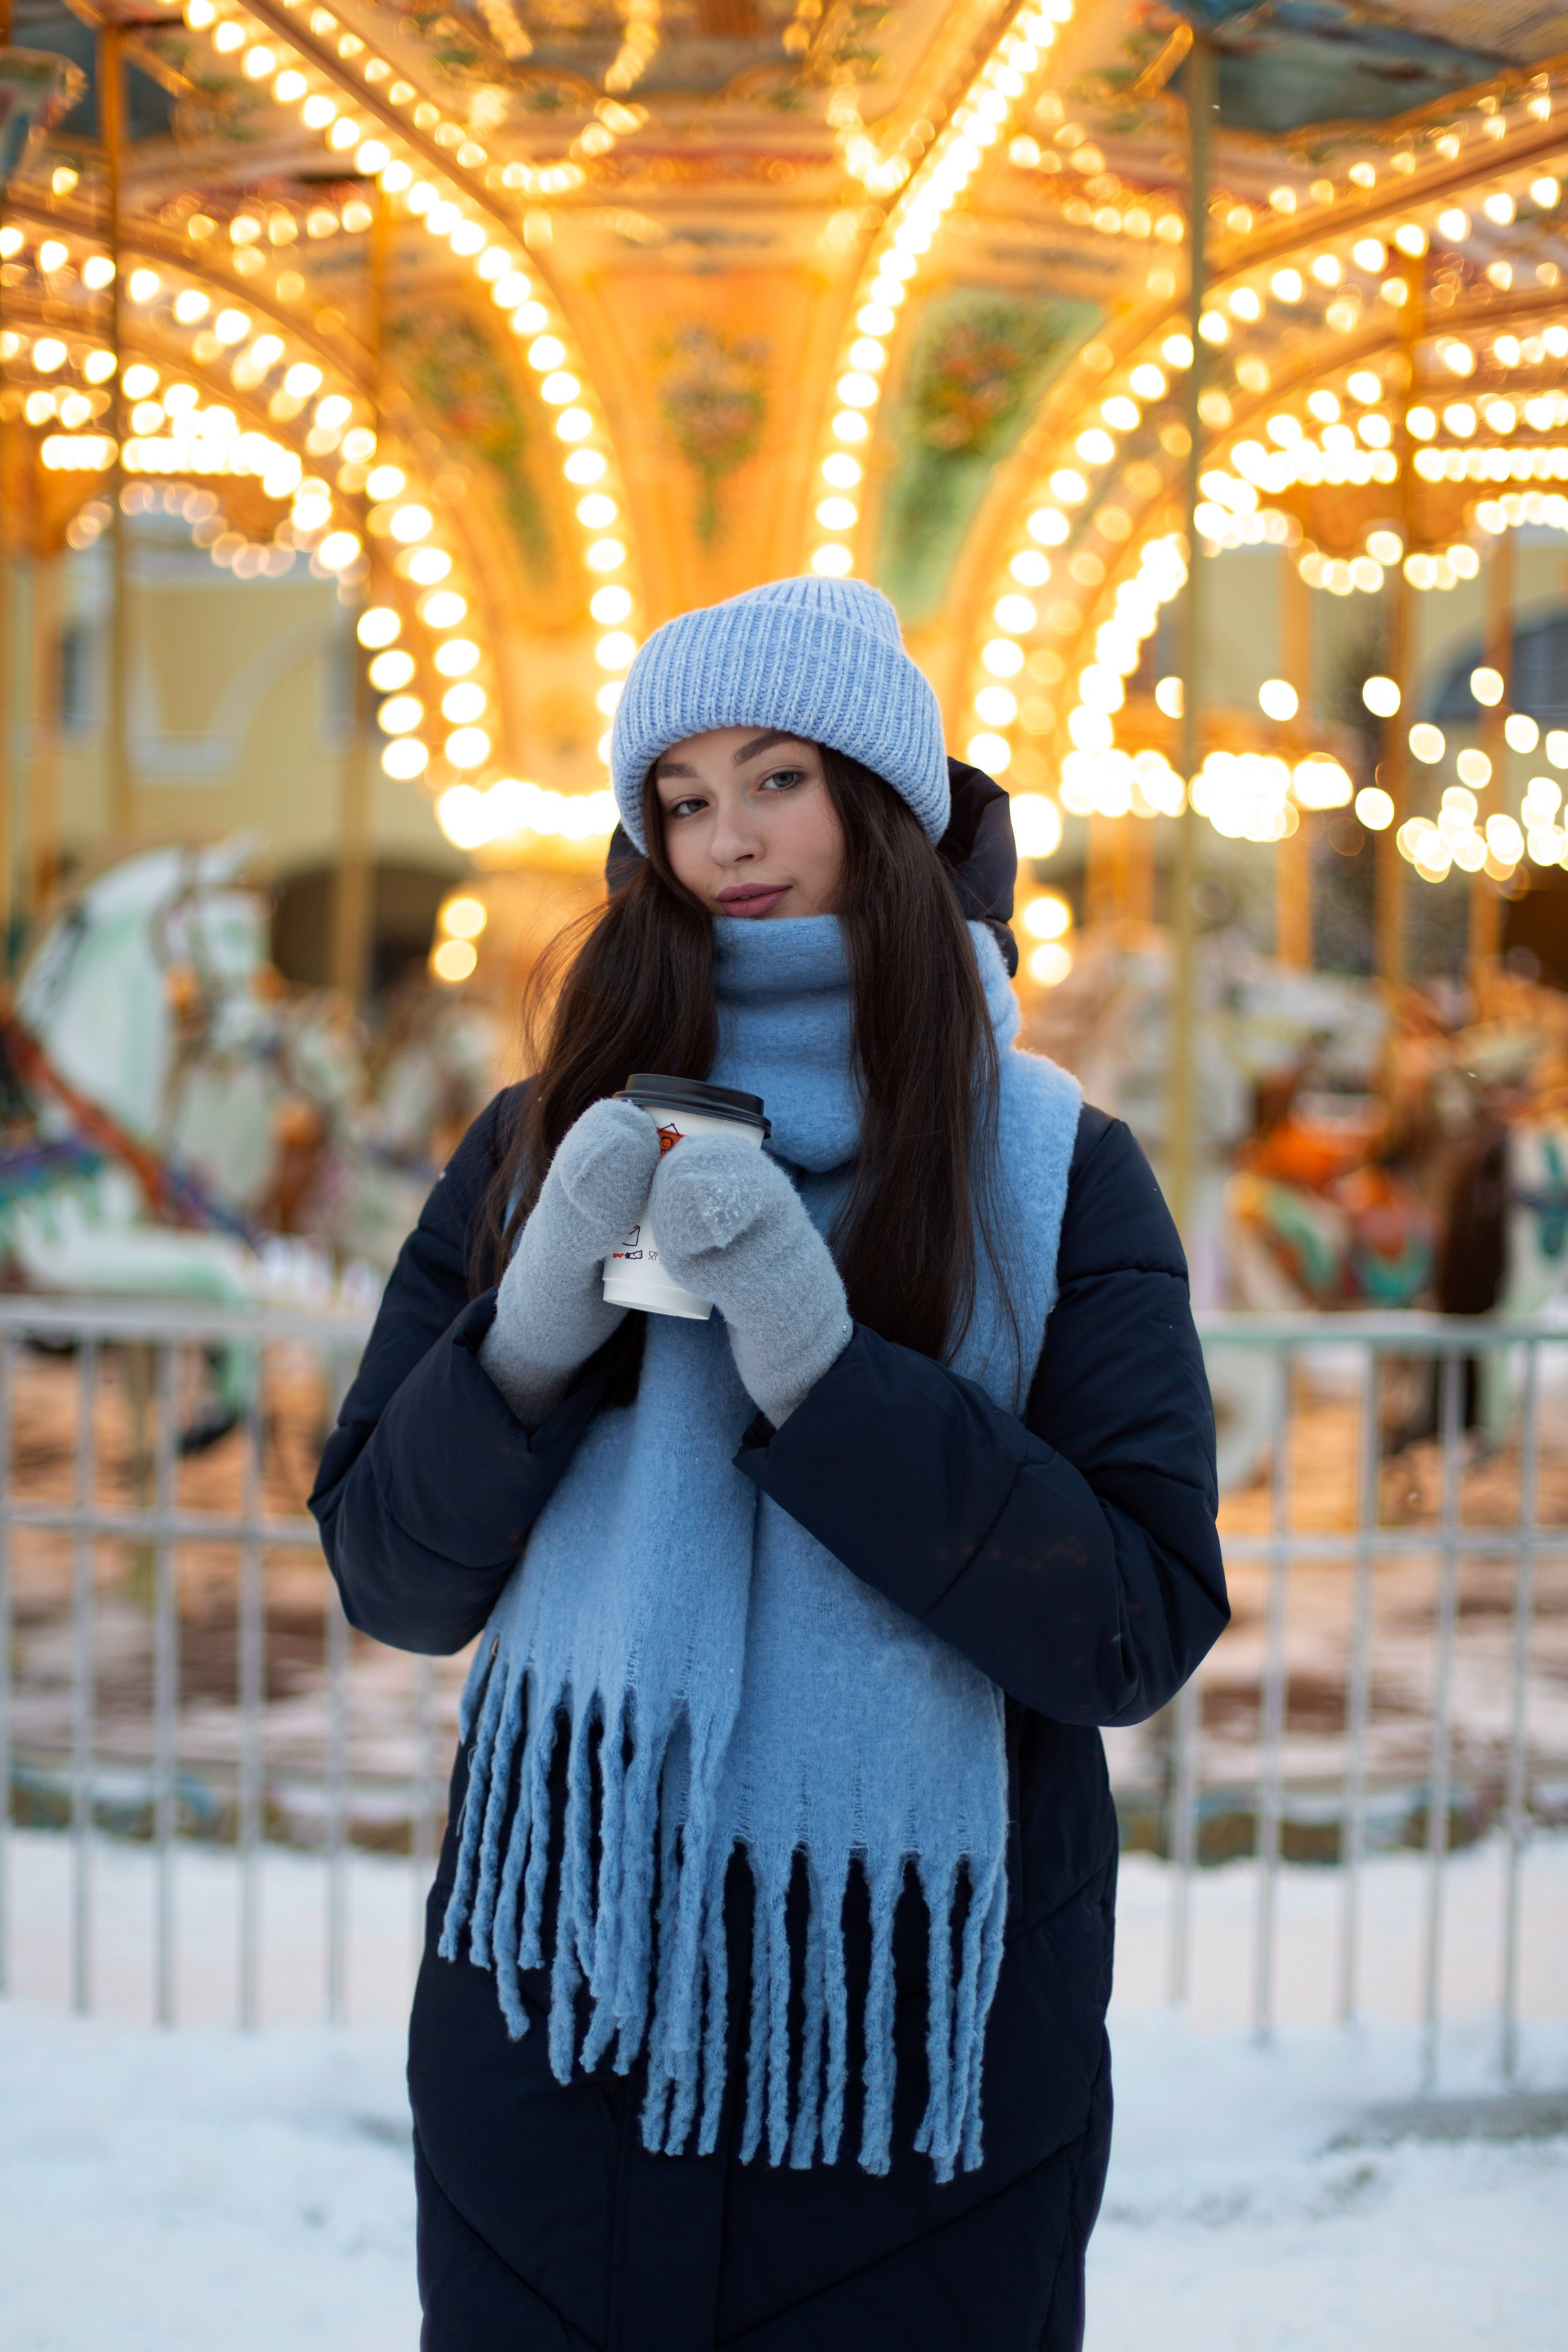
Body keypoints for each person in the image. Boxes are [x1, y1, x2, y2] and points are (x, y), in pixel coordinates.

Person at [310, 575, 1227, 2352]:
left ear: (879, 802)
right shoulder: (538, 1143)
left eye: (777, 779)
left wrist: (823, 1370)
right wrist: (531, 1333)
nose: (727, 837)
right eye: (683, 795)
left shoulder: (1052, 1168)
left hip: (901, 2063)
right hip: (551, 2036)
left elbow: (1130, 1624)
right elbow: (392, 1574)